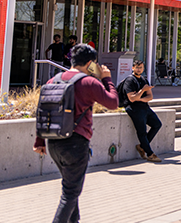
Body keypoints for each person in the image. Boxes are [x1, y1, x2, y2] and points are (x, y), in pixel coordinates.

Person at [33, 44, 118, 223]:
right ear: (90, 63)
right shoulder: (89, 82)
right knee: (70, 193)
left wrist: (39, 141)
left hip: (53, 142)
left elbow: (44, 110)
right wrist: (107, 79)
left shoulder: (53, 80)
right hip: (76, 143)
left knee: (71, 188)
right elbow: (113, 102)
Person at [120, 59, 163, 162]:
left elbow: (150, 97)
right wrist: (142, 91)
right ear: (133, 68)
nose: (139, 70)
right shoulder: (129, 80)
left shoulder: (144, 80)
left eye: (141, 68)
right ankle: (150, 154)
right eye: (137, 67)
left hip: (145, 107)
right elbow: (131, 98)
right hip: (134, 108)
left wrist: (139, 97)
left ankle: (142, 146)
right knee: (142, 132)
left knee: (157, 124)